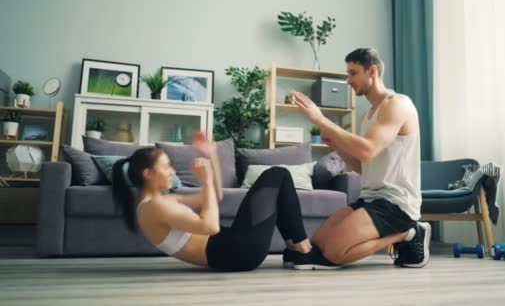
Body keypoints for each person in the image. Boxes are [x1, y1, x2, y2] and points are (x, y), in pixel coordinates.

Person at [290, 48, 430, 269]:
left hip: (396, 203)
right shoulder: (369, 115)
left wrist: (321, 119)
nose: (348, 80)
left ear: (372, 71)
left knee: (334, 253)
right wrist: (337, 145)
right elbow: (364, 166)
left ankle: (408, 232)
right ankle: (405, 233)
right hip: (370, 198)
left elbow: (367, 150)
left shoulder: (397, 104)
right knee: (318, 244)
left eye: (353, 73)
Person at [111, 131, 321, 272]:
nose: (172, 172)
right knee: (277, 174)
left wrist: (212, 157)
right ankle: (303, 250)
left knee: (277, 179)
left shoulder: (157, 203)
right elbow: (210, 226)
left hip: (231, 246)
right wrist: (204, 180)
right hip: (237, 252)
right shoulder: (156, 207)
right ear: (148, 173)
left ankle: (296, 251)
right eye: (166, 167)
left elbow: (215, 196)